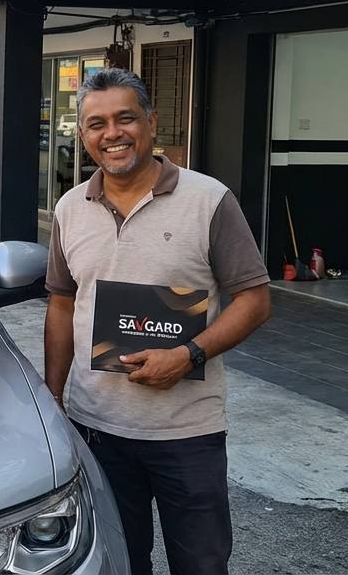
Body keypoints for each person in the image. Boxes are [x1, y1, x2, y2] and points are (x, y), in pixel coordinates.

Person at [43, 68, 271, 575]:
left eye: (125, 118)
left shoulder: (209, 201)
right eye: (96, 123)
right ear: (83, 135)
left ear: (150, 123)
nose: (112, 134)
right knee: (118, 562)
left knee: (202, 564)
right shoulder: (68, 209)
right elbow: (61, 306)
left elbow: (255, 300)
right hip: (96, 427)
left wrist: (188, 354)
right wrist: (54, 399)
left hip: (187, 432)